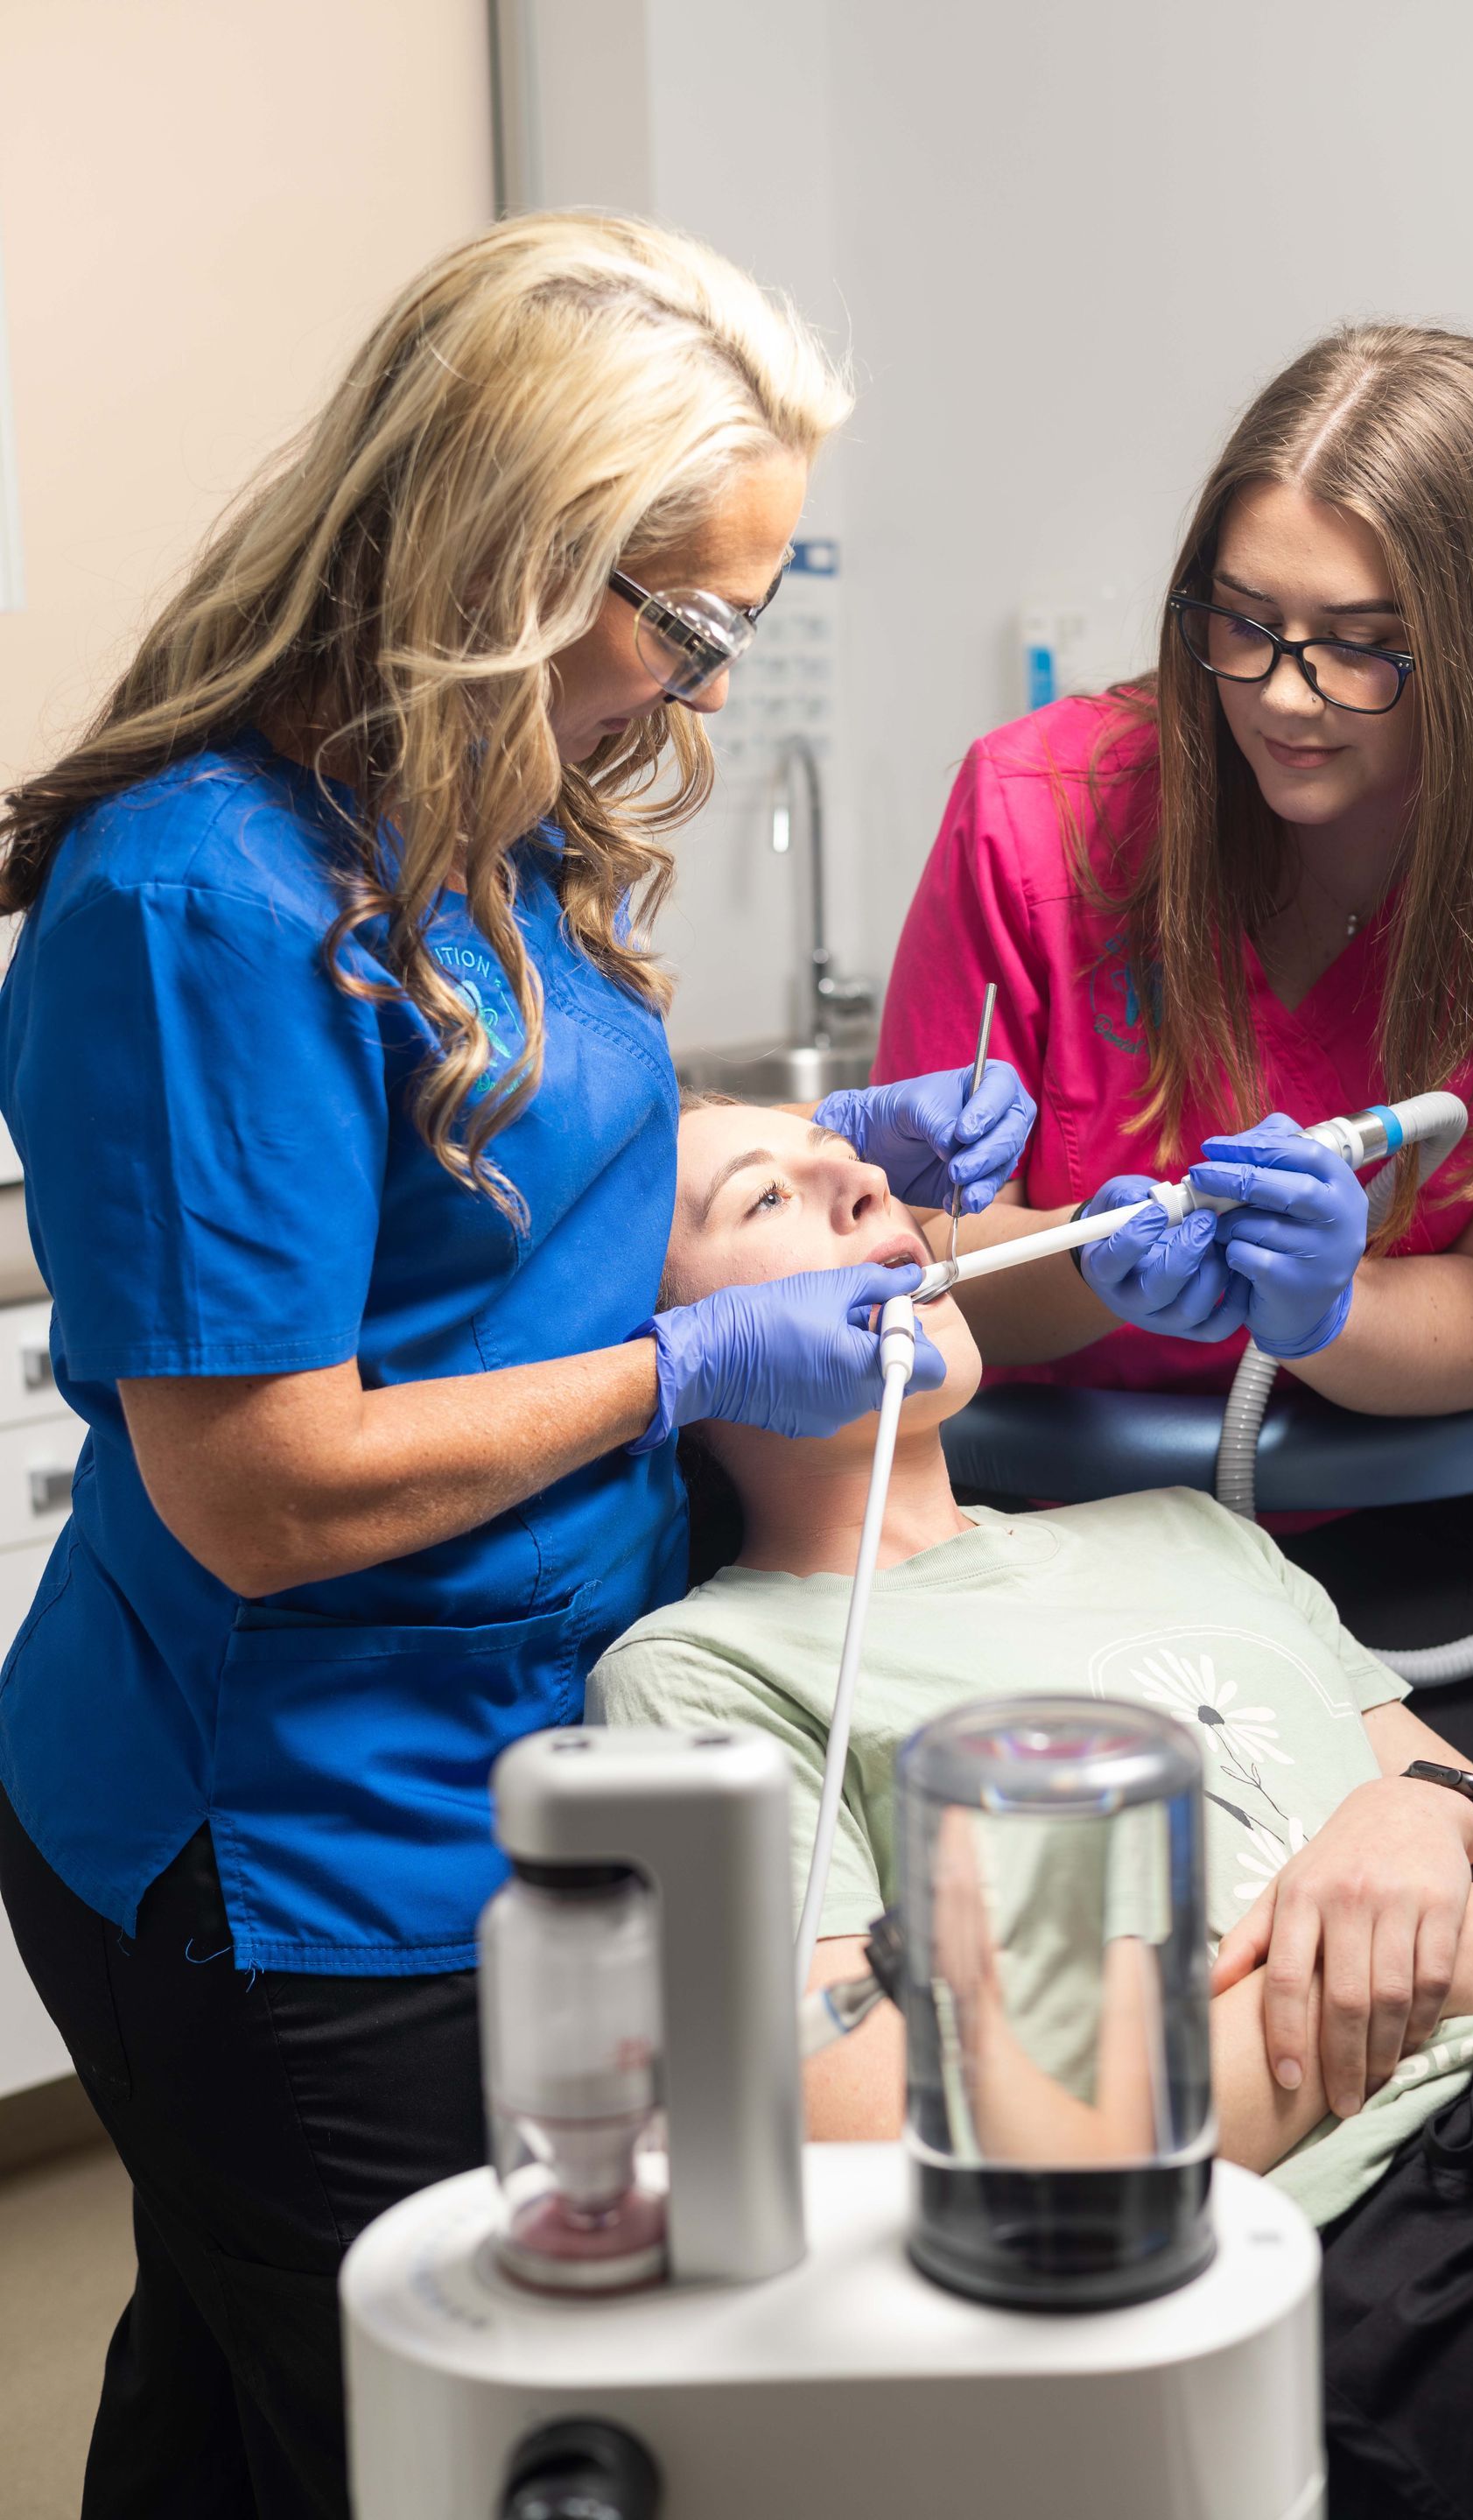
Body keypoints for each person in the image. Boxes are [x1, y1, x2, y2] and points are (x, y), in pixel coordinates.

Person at [0, 215, 1047, 2520]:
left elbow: (489, 1174)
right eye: (685, 624)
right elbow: (265, 1487)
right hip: (285, 1846)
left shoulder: (481, 823)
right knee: (434, 2435)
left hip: (504, 1763)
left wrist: (811, 1150)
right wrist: (691, 1368)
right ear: (512, 550)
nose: (694, 689)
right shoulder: (203, 907)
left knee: (232, 2380)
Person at [592, 1093, 1473, 2520]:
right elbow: (903, 2174)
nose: (861, 1184)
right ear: (669, 1359)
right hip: (1383, 2249)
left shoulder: (1188, 1533)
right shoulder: (701, 1679)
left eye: (840, 1156)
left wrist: (1438, 1820)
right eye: (765, 1198)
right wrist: (1430, 1973)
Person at [874, 325, 1473, 1836]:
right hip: (1049, 1541)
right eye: (1240, 622)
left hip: (1419, 1549)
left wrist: (1326, 1313)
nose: (1283, 695)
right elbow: (911, 1266)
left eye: (1362, 643)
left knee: (1434, 1967)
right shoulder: (1040, 812)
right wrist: (1099, 1265)